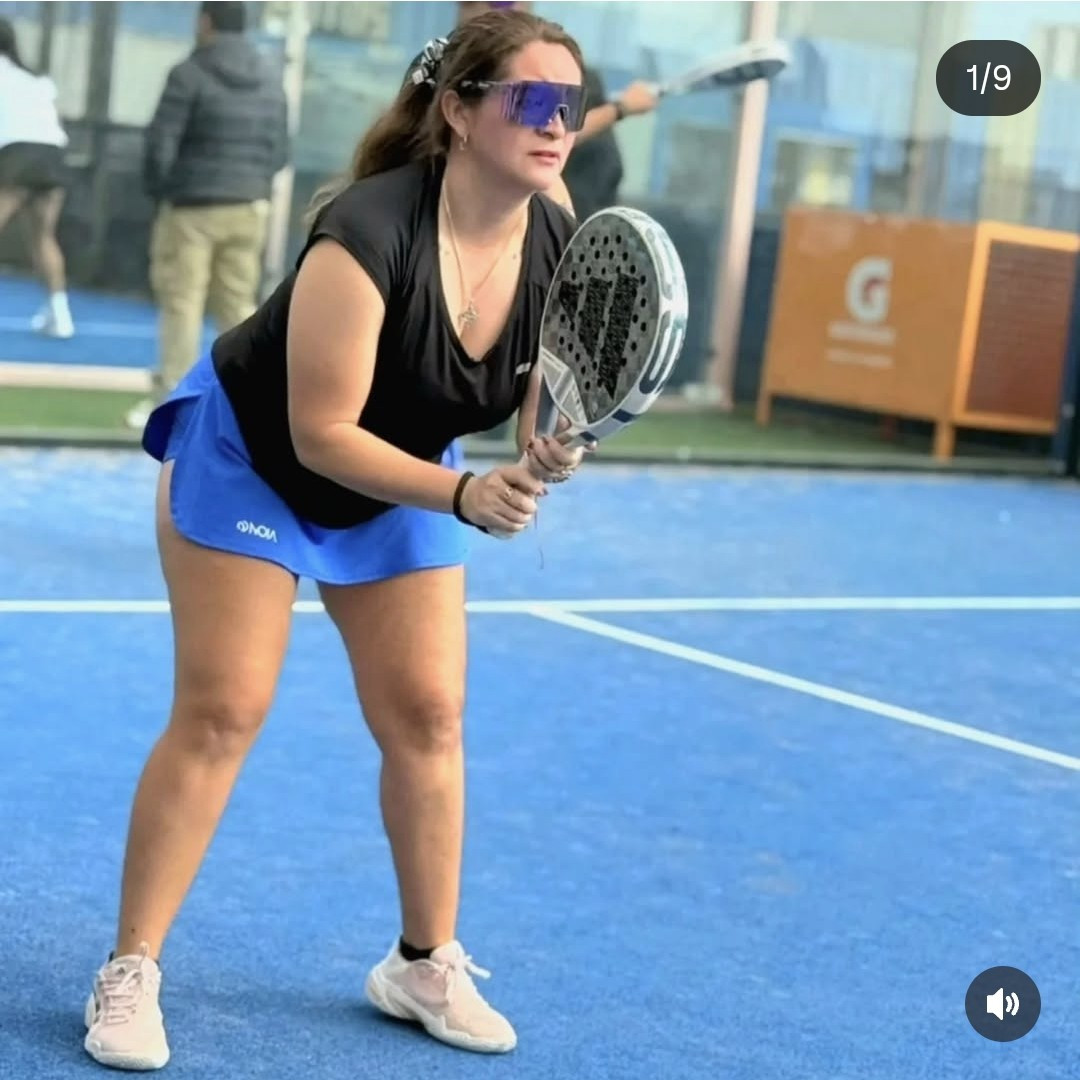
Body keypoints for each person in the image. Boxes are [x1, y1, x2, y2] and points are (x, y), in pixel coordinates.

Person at [83, 9, 589, 1072]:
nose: (555, 124)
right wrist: (464, 495)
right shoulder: (365, 234)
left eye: (570, 106)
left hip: (401, 467)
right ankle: (130, 968)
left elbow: (537, 388)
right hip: (257, 458)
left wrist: (543, 448)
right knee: (224, 709)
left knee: (430, 713)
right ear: (459, 112)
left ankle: (423, 962)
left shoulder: (556, 230)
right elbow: (320, 434)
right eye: (531, 100)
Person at [126, 0, 290, 430]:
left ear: (205, 22)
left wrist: (164, 190)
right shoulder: (269, 76)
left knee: (183, 303)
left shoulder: (189, 72)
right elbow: (280, 149)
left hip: (191, 208)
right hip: (248, 206)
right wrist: (252, 184)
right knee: (238, 305)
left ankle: (175, 403)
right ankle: (247, 401)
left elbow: (161, 142)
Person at [0, 17, 75, 339]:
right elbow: (54, 123)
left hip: (18, 157)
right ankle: (61, 316)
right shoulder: (39, 80)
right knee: (44, 237)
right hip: (52, 158)